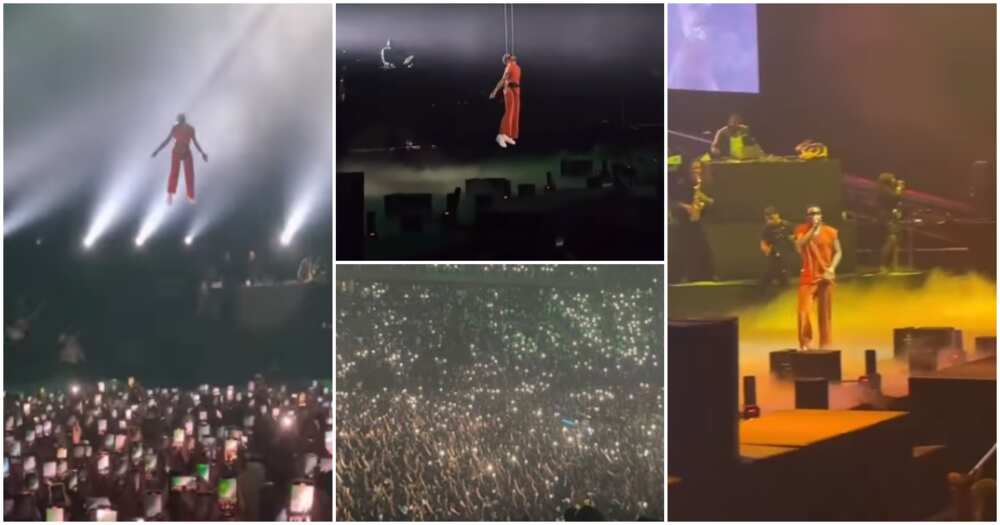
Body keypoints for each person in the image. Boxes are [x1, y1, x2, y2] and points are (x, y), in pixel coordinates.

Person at [793, 205, 842, 350]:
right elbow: (799, 245)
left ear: (821, 215)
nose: (814, 216)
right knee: (804, 311)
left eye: (816, 213)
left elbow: (839, 252)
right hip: (808, 277)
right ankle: (805, 344)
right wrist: (812, 230)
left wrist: (832, 268)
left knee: (825, 315)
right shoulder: (801, 230)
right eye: (810, 214)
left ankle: (825, 346)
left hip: (825, 276)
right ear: (806, 217)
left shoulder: (831, 232)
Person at [152, 114, 208, 205]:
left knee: (189, 174)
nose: (180, 123)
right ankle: (170, 194)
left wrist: (202, 153)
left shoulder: (190, 129)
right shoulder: (175, 128)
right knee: (174, 173)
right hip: (177, 152)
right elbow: (167, 141)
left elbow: (195, 142)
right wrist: (157, 151)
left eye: (180, 121)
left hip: (186, 152)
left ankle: (190, 196)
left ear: (183, 121)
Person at [489, 54, 521, 148]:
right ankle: (501, 135)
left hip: (516, 89)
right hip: (509, 89)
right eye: (510, 56)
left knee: (515, 112)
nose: (512, 56)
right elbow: (503, 80)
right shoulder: (509, 66)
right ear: (507, 60)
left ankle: (509, 135)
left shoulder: (517, 67)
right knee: (509, 111)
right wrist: (494, 91)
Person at [876, 172, 905, 273]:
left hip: (888, 217)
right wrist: (899, 188)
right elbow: (895, 198)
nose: (895, 181)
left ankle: (890, 265)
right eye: (893, 179)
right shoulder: (885, 190)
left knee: (893, 240)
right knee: (891, 239)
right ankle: (883, 265)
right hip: (886, 218)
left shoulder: (884, 190)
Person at [759, 206, 792, 287]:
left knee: (784, 273)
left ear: (777, 215)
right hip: (773, 253)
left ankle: (783, 282)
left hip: (786, 252)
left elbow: (794, 238)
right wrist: (765, 248)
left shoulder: (787, 225)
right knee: (771, 271)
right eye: (768, 219)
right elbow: (763, 241)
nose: (770, 221)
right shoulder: (766, 228)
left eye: (771, 218)